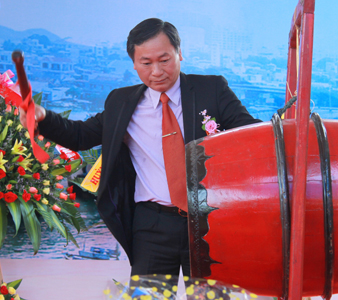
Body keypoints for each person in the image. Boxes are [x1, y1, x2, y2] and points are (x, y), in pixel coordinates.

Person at [20, 18, 261, 276]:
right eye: (146, 63)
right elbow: (80, 135)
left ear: (180, 53)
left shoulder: (210, 90)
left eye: (164, 59)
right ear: (134, 64)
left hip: (210, 220)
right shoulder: (122, 102)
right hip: (152, 225)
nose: (156, 71)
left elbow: (251, 133)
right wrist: (43, 117)